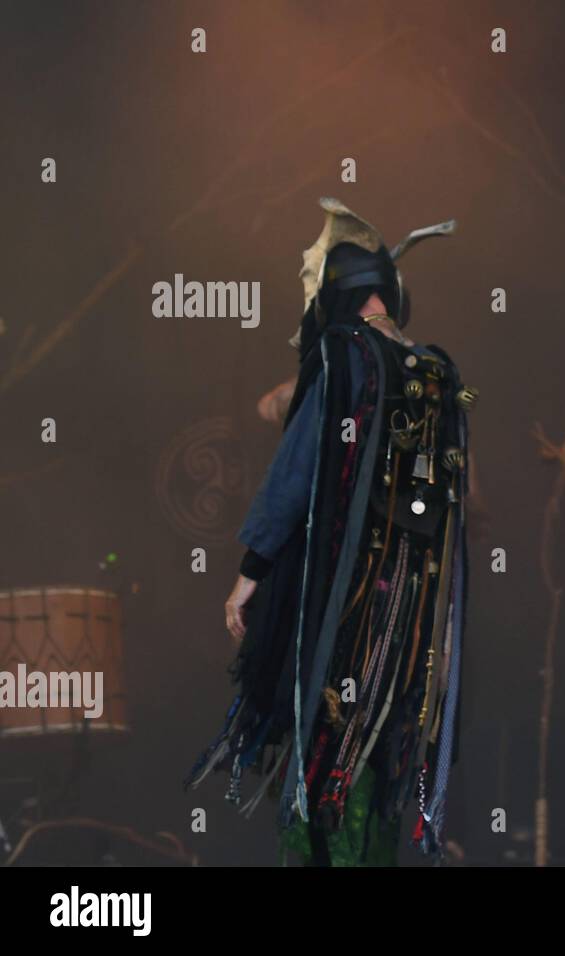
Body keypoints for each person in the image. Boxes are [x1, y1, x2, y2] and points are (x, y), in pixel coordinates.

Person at [187, 199, 473, 866]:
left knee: (324, 768)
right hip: (411, 631)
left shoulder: (344, 360)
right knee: (374, 767)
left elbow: (295, 475)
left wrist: (248, 576)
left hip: (341, 612)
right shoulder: (439, 373)